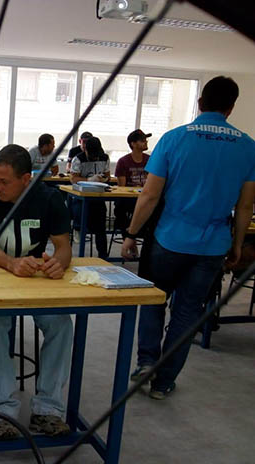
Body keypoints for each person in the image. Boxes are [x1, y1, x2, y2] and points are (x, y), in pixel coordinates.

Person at [122, 76, 255, 400]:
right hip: (212, 245)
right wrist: (237, 244)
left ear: (199, 103)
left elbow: (150, 196)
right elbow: (246, 205)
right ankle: (164, 382)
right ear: (231, 107)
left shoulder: (174, 139)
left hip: (169, 239)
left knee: (154, 301)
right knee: (186, 313)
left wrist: (131, 234)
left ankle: (146, 364)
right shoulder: (248, 146)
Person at [0, 144, 73, 440]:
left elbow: (64, 246)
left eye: (5, 181)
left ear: (26, 178)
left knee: (61, 324)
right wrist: (12, 263)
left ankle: (48, 410)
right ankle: (3, 412)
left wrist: (58, 265)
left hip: (36, 278)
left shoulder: (50, 199)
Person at [69, 136, 110, 258]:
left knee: (101, 226)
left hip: (97, 195)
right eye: (92, 156)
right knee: (78, 209)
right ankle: (77, 227)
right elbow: (73, 179)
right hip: (82, 195)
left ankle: (103, 256)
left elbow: (108, 175)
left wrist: (103, 178)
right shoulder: (78, 159)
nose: (95, 158)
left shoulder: (104, 157)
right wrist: (88, 179)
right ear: (86, 150)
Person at [113, 129, 152, 234]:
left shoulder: (150, 159)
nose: (146, 142)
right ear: (133, 144)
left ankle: (142, 236)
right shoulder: (123, 161)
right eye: (142, 140)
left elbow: (153, 182)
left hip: (145, 196)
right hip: (129, 198)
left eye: (146, 140)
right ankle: (129, 236)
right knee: (120, 206)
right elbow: (122, 187)